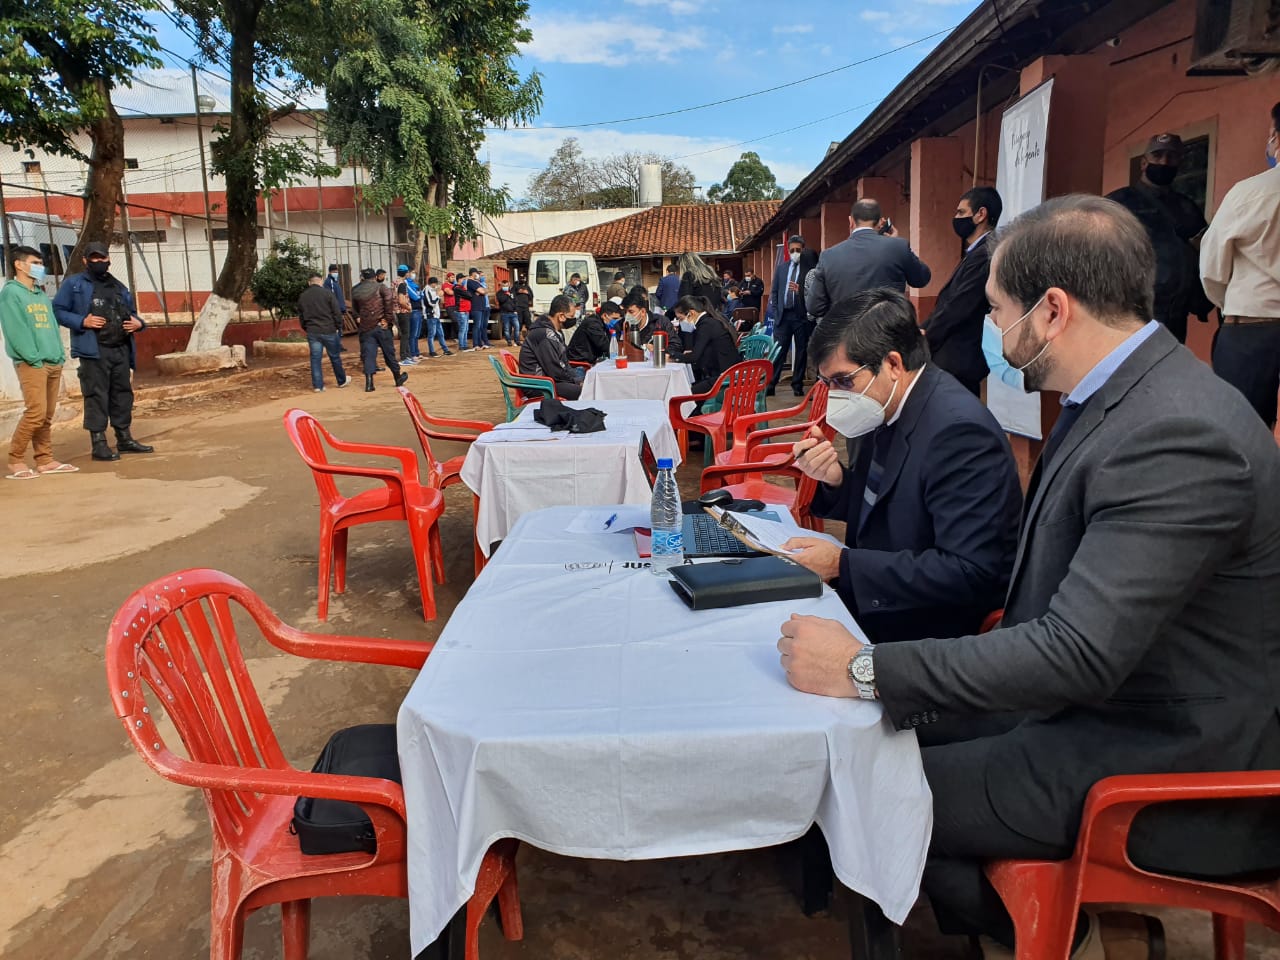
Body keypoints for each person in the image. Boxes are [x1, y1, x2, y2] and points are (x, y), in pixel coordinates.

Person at [777, 194, 1280, 960]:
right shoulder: (1120, 399)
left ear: (1051, 311)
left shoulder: (1178, 433)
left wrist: (862, 668)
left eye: (995, 307)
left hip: (1165, 757)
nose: (989, 328)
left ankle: (1052, 930)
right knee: (871, 746)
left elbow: (1077, 651)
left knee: (868, 787)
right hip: (1095, 709)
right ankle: (1041, 927)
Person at [782, 288, 1020, 650]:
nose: (835, 395)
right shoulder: (882, 407)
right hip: (876, 599)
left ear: (893, 364)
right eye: (826, 383)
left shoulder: (959, 433)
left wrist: (842, 566)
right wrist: (834, 481)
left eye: (844, 381)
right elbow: (881, 510)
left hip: (928, 631)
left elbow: (970, 571)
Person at [1200, 102, 1280, 428]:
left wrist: (1227, 306)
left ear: (1276, 137)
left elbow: (1212, 269)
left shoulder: (1249, 193)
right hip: (1252, 325)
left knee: (1240, 431)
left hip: (1250, 326)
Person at [53, 241, 153, 461]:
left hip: (120, 349)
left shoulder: (118, 285)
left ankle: (124, 438)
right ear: (85, 260)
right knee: (97, 395)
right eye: (94, 258)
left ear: (109, 260)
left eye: (102, 258)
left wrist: (139, 323)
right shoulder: (74, 284)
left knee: (122, 394)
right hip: (94, 350)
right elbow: (58, 310)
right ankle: (99, 443)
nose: (98, 262)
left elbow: (132, 312)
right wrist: (83, 321)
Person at [1107, 133, 1210, 344]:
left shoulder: (1187, 207)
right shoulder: (1118, 203)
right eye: (1158, 155)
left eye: (1172, 157)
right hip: (1132, 314)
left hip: (1176, 316)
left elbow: (1206, 250)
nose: (1164, 162)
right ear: (1144, 163)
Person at [1, 245, 76, 478]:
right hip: (32, 362)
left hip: (53, 360)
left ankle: (45, 460)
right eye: (35, 262)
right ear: (19, 264)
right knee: (35, 412)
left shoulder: (41, 294)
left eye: (40, 263)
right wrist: (32, 358)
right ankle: (15, 460)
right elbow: (16, 330)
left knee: (46, 415)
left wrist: (59, 355)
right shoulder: (11, 293)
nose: (40, 267)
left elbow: (52, 327)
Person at [921, 186, 1002, 395]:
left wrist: (927, 336)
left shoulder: (986, 253)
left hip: (960, 359)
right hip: (955, 356)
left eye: (961, 212)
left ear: (980, 215)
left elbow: (959, 305)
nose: (956, 218)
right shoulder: (977, 252)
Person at [806, 199, 932, 323]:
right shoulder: (898, 247)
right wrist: (896, 244)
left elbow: (815, 307)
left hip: (847, 336)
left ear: (851, 221)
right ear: (880, 223)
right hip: (888, 333)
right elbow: (922, 278)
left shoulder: (828, 256)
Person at [768, 235, 819, 397]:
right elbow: (774, 292)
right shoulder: (782, 269)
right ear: (788, 251)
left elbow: (813, 292)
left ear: (803, 250)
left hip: (801, 316)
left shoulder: (809, 269)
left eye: (798, 250)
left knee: (801, 351)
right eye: (792, 250)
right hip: (783, 316)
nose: (795, 253)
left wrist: (799, 290)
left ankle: (797, 384)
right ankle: (771, 384)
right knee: (779, 352)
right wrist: (776, 312)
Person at [350, 267, 408, 392]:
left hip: (365, 328)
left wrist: (359, 318)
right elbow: (389, 303)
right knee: (389, 353)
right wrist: (387, 320)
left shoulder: (355, 290)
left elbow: (354, 309)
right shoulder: (381, 288)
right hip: (381, 327)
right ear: (374, 277)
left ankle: (369, 383)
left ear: (362, 278)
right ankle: (397, 378)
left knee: (369, 355)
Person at [672, 295, 739, 396]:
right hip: (725, 372)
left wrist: (673, 356)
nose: (680, 323)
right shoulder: (709, 321)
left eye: (680, 319)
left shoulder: (706, 325)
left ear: (691, 313)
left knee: (684, 394)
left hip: (724, 377)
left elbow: (694, 357)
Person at [520, 295, 584, 400]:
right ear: (561, 316)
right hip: (539, 386)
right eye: (571, 316)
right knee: (585, 392)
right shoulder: (544, 335)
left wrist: (576, 379)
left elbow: (563, 363)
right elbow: (554, 370)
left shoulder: (555, 332)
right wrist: (576, 382)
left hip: (550, 380)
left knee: (587, 385)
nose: (573, 320)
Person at [297, 271, 349, 391]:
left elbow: (301, 316)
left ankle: (318, 386)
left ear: (309, 282)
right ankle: (341, 380)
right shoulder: (327, 294)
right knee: (335, 357)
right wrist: (338, 326)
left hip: (313, 331)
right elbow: (336, 312)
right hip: (329, 329)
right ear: (320, 281)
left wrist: (306, 327)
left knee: (315, 359)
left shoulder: (303, 296)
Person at [621, 288, 681, 358]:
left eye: (631, 312)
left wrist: (657, 349)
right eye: (625, 312)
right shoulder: (621, 325)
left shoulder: (661, 322)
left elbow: (676, 345)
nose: (627, 316)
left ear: (643, 312)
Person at [394, 265, 418, 366]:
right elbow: (401, 300)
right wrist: (408, 308)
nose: (409, 274)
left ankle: (407, 355)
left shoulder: (395, 282)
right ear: (405, 273)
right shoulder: (402, 284)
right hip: (403, 312)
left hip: (398, 311)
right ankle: (404, 357)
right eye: (408, 272)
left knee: (405, 334)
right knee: (405, 335)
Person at [423, 277, 451, 357]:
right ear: (432, 283)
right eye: (435, 283)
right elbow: (431, 303)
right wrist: (438, 296)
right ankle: (432, 351)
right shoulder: (427, 290)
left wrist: (439, 296)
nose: (436, 285)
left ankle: (445, 350)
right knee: (432, 334)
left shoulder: (433, 290)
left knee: (441, 334)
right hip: (430, 315)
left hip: (436, 315)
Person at [467, 268, 491, 350]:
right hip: (476, 307)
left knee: (480, 326)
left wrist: (482, 291)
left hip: (481, 306)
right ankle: (475, 344)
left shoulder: (477, 283)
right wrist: (482, 291)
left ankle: (480, 344)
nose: (478, 275)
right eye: (476, 273)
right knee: (476, 326)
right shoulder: (470, 282)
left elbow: (486, 290)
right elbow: (483, 291)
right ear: (473, 274)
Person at [496, 279, 519, 345]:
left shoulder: (512, 292)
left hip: (513, 313)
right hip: (504, 313)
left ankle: (517, 341)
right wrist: (506, 294)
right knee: (506, 328)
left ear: (509, 285)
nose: (505, 287)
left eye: (506, 285)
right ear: (501, 286)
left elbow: (515, 301)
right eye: (504, 286)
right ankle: (509, 341)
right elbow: (501, 300)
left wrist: (516, 310)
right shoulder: (499, 293)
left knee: (517, 327)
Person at [454, 274, 472, 352]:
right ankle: (461, 345)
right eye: (463, 279)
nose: (464, 280)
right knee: (462, 329)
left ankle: (464, 345)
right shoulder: (457, 288)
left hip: (466, 310)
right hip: (461, 311)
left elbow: (468, 295)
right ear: (459, 279)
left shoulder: (462, 288)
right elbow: (469, 295)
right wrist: (467, 293)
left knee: (466, 329)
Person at [441, 272, 458, 342]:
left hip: (456, 305)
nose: (453, 278)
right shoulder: (445, 285)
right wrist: (457, 291)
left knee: (456, 320)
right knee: (455, 320)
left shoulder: (455, 285)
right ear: (448, 278)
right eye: (451, 277)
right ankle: (453, 336)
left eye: (454, 277)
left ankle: (453, 336)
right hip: (449, 305)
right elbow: (450, 292)